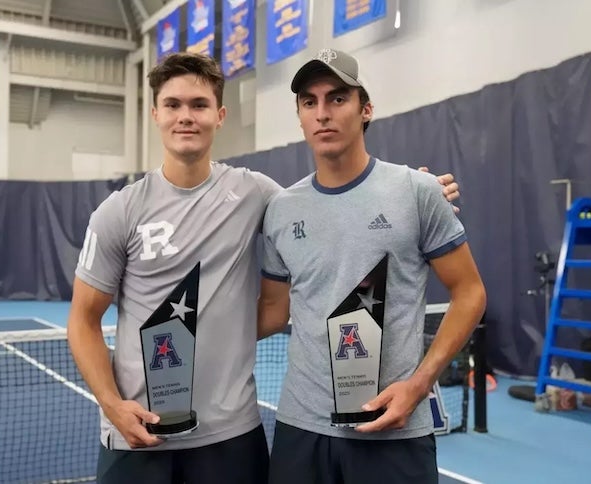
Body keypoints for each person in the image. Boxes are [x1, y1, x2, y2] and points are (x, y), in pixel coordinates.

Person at [67, 52, 462, 484]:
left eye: (198, 105)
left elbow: (334, 203)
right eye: (174, 105)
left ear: (219, 116)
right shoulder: (118, 212)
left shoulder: (258, 195)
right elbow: (83, 321)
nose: (186, 117)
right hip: (139, 434)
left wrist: (420, 190)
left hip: (231, 438)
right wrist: (111, 403)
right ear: (155, 114)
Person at [257, 49, 487, 484]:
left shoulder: (417, 191)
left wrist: (418, 386)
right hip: (302, 430)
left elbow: (470, 293)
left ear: (366, 109)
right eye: (310, 102)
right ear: (301, 116)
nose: (323, 113)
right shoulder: (280, 211)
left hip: (394, 429)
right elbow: (271, 311)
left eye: (337, 99)